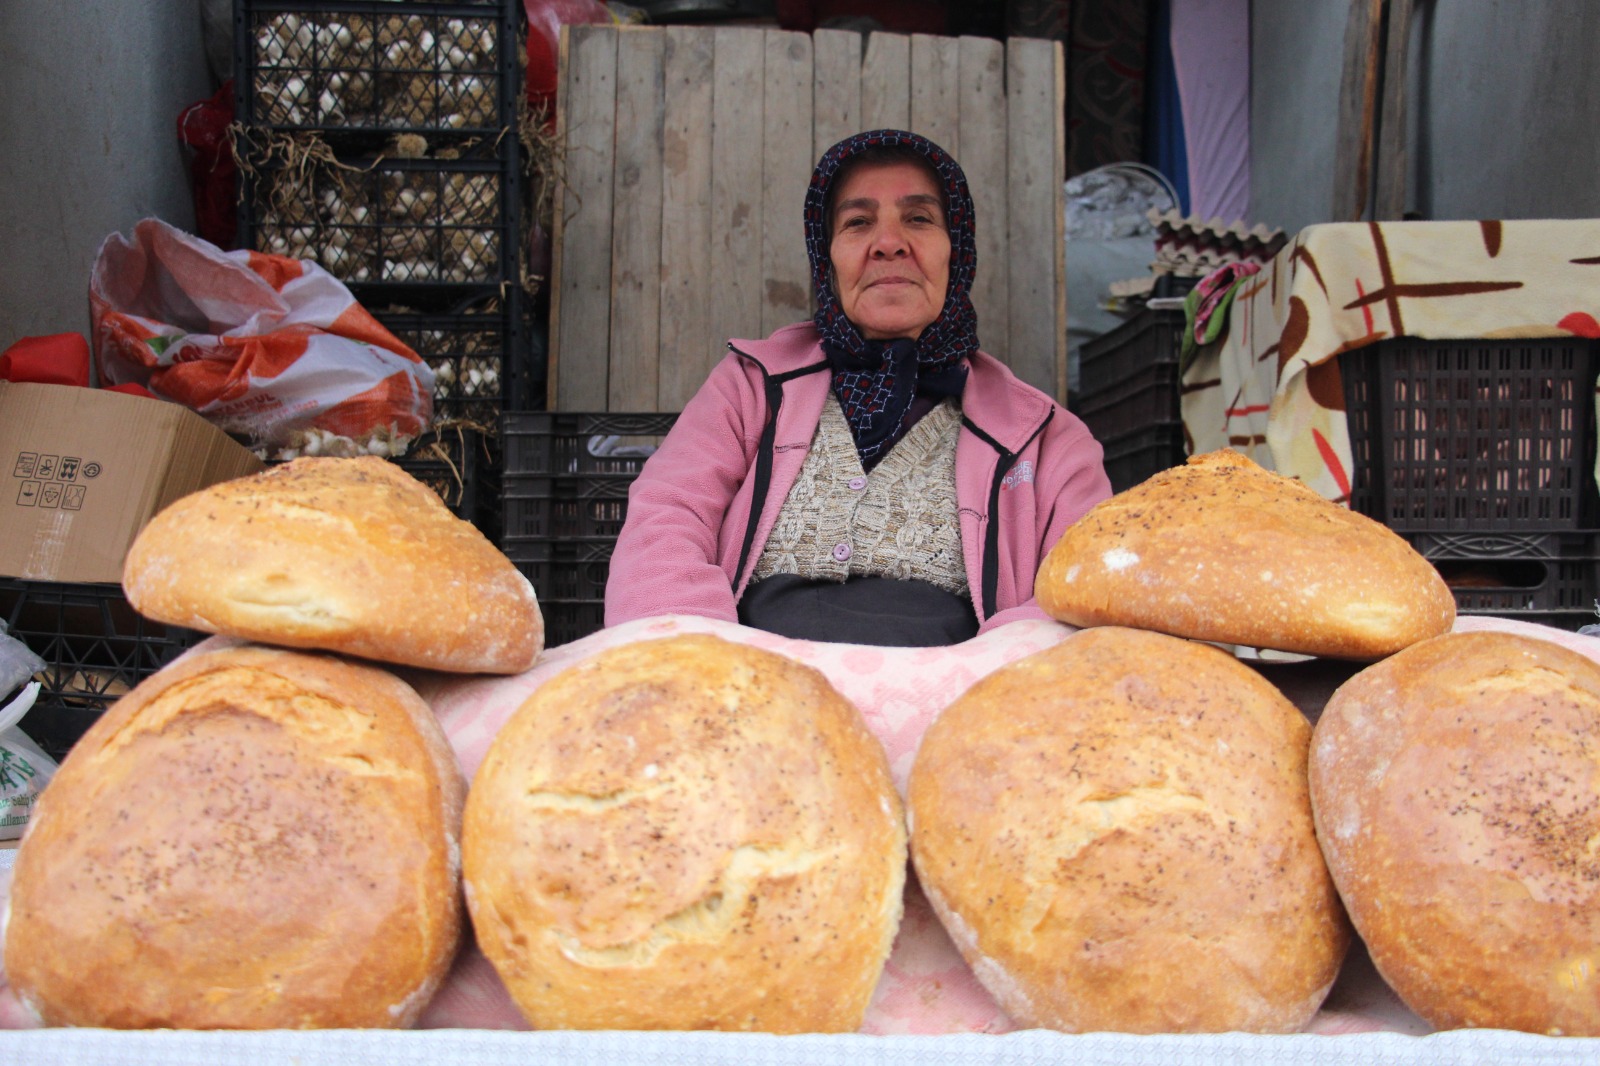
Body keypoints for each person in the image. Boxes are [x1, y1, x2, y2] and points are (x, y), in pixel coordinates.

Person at [604, 129, 1112, 646]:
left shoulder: (1047, 439)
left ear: (955, 252)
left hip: (954, 703)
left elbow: (1079, 592)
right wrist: (700, 665)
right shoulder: (751, 388)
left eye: (918, 218)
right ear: (828, 259)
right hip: (751, 696)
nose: (889, 243)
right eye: (858, 222)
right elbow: (665, 520)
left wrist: (973, 680)